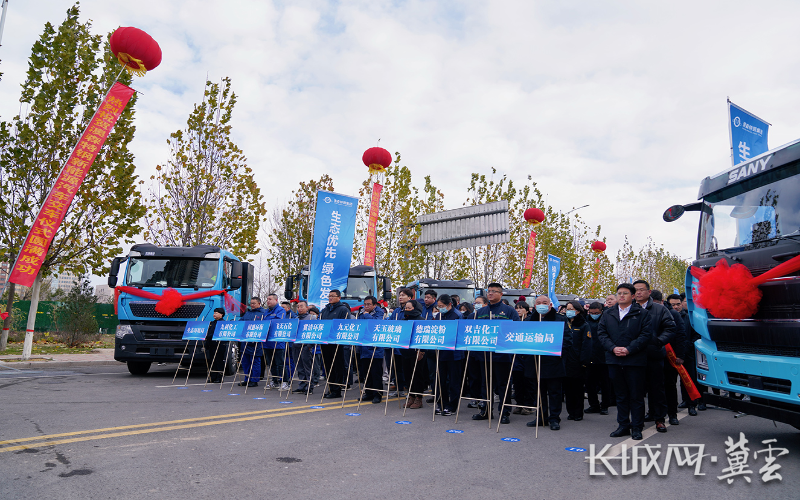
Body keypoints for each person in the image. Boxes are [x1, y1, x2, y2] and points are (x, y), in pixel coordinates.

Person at [597, 283, 654, 441]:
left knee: (636, 395)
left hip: (634, 360)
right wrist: (613, 348)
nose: (621, 296)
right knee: (620, 395)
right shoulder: (608, 313)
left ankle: (637, 427)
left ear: (633, 296)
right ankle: (623, 425)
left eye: (625, 293)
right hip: (614, 359)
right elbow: (601, 333)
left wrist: (629, 349)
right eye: (619, 293)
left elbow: (646, 335)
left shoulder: (642, 313)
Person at [633, 280, 677, 434]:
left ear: (649, 292)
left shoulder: (660, 309)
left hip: (654, 354)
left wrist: (658, 342)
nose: (638, 292)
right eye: (635, 290)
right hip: (633, 355)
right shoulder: (628, 308)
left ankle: (659, 419)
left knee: (657, 389)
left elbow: (670, 328)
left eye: (641, 289)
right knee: (636, 390)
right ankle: (637, 421)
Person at [472, 283, 519, 424]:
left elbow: (516, 330)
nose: (490, 293)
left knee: (503, 384)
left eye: (494, 291)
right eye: (489, 291)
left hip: (502, 354)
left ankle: (504, 412)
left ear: (501, 294)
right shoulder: (481, 312)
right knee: (485, 384)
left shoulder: (509, 311)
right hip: (484, 354)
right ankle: (485, 410)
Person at [523, 295, 570, 430]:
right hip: (534, 362)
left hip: (553, 362)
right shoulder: (528, 321)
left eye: (544, 302)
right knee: (538, 392)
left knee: (554, 392)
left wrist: (557, 353)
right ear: (535, 306)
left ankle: (554, 418)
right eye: (539, 303)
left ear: (550, 305)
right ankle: (541, 416)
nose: (541, 305)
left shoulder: (560, 319)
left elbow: (567, 340)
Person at [653, 290, 686, 426]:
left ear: (662, 302)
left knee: (670, 385)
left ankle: (672, 413)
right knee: (654, 386)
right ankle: (654, 412)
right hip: (654, 355)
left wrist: (680, 355)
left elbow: (681, 335)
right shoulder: (646, 312)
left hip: (670, 355)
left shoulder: (673, 313)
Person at [432, 294, 463, 416]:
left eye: (442, 306)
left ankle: (452, 406)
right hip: (441, 352)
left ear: (449, 304)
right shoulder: (439, 315)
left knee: (454, 381)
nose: (440, 308)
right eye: (438, 306)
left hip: (454, 353)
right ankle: (441, 404)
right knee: (440, 380)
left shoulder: (457, 315)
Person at [563, 300, 592, 422]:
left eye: (571, 309)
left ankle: (578, 412)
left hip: (578, 362)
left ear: (578, 311)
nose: (568, 311)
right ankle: (571, 412)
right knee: (568, 389)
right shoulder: (564, 323)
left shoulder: (583, 325)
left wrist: (583, 361)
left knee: (578, 389)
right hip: (565, 361)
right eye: (567, 309)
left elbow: (586, 345)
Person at [320, 289, 351, 398]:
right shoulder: (325, 310)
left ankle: (336, 390)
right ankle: (330, 388)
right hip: (326, 341)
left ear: (339, 297)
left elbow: (345, 325)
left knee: (337, 366)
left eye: (333, 296)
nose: (330, 298)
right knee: (328, 366)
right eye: (329, 296)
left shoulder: (343, 309)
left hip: (337, 342)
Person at [584, 302, 614, 415]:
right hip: (589, 356)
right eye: (592, 313)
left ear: (601, 311)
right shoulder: (586, 321)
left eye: (596, 313)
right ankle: (593, 405)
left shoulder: (606, 321)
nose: (594, 315)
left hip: (603, 356)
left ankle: (605, 405)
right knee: (590, 383)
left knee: (605, 383)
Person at [357, 296, 385, 404]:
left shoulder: (380, 313)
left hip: (375, 347)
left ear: (375, 305)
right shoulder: (361, 313)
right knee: (366, 372)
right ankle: (368, 393)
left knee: (376, 373)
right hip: (364, 346)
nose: (366, 306)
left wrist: (366, 315)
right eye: (365, 304)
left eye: (369, 304)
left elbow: (376, 324)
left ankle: (377, 394)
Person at [401, 299, 426, 409]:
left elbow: (424, 337)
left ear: (415, 308)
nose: (407, 310)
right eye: (406, 308)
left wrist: (422, 351)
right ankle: (411, 396)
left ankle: (419, 398)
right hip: (405, 351)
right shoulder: (403, 321)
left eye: (409, 308)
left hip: (417, 352)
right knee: (408, 375)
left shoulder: (422, 321)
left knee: (418, 375)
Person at [260, 294, 289, 389]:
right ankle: (275, 381)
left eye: (270, 299)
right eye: (267, 299)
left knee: (280, 363)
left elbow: (278, 323)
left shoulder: (280, 310)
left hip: (277, 341)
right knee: (271, 363)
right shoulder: (266, 311)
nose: (268, 301)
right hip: (267, 341)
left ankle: (285, 381)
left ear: (276, 300)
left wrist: (267, 323)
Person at [239, 297, 267, 387]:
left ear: (259, 303)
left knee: (255, 362)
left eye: (254, 303)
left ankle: (254, 380)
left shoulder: (264, 313)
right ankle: (247, 379)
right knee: (245, 362)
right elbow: (240, 323)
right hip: (245, 341)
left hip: (256, 342)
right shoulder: (247, 313)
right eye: (251, 303)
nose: (252, 305)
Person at [291, 300, 316, 394]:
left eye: (301, 306)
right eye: (298, 307)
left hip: (306, 346)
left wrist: (309, 346)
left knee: (307, 367)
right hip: (296, 345)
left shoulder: (312, 318)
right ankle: (302, 385)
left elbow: (314, 332)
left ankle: (310, 386)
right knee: (299, 367)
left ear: (307, 308)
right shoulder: (296, 318)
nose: (299, 308)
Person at [205, 307, 226, 383]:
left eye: (216, 313)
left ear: (221, 314)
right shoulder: (212, 323)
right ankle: (212, 377)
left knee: (219, 361)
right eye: (214, 313)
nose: (214, 314)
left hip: (219, 344)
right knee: (212, 361)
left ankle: (219, 377)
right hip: (212, 344)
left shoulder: (223, 323)